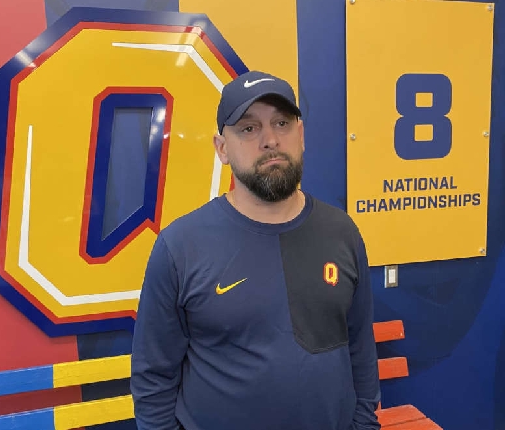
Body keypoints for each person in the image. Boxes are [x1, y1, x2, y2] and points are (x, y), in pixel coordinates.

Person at [130, 70, 381, 430]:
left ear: (301, 135)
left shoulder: (342, 233)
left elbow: (360, 349)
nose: (270, 140)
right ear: (222, 148)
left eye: (282, 123)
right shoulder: (180, 246)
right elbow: (153, 377)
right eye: (249, 128)